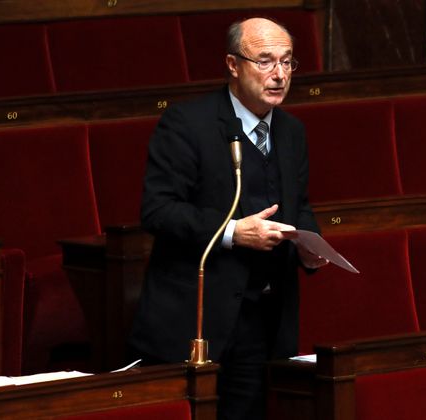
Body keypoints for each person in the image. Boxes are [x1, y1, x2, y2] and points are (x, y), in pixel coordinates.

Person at [128, 17, 327, 420]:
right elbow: (159, 210)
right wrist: (235, 232)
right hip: (198, 318)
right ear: (233, 65)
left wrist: (310, 244)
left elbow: (297, 204)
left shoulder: (291, 131)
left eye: (288, 63)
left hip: (265, 319)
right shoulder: (188, 124)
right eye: (266, 61)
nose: (279, 75)